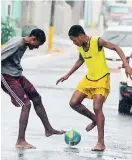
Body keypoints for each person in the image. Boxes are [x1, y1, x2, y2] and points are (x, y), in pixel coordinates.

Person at [56, 25, 132, 151]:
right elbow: (81, 60)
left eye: (74, 40)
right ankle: (95, 119)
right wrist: (68, 74)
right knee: (73, 102)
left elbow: (116, 48)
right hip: (89, 78)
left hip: (102, 78)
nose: (74, 43)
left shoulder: (97, 41)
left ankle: (101, 143)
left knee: (97, 107)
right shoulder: (80, 47)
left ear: (81, 36)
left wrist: (126, 65)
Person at [1, 28, 65, 149]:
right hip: (6, 77)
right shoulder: (18, 42)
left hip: (17, 75)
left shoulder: (24, 44)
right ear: (33, 39)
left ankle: (49, 129)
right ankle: (20, 141)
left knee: (36, 97)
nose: (37, 48)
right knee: (26, 104)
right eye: (38, 45)